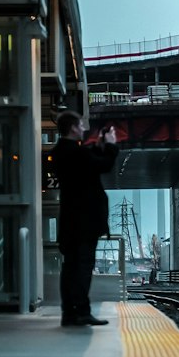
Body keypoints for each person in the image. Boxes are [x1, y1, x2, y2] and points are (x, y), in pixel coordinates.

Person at [52, 110, 118, 327]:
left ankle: (69, 313)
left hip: (70, 222)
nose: (83, 129)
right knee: (82, 267)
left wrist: (96, 147)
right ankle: (82, 311)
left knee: (70, 268)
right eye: (80, 125)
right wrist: (110, 145)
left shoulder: (61, 152)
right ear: (72, 128)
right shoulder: (76, 154)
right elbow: (103, 165)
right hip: (85, 222)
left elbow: (87, 162)